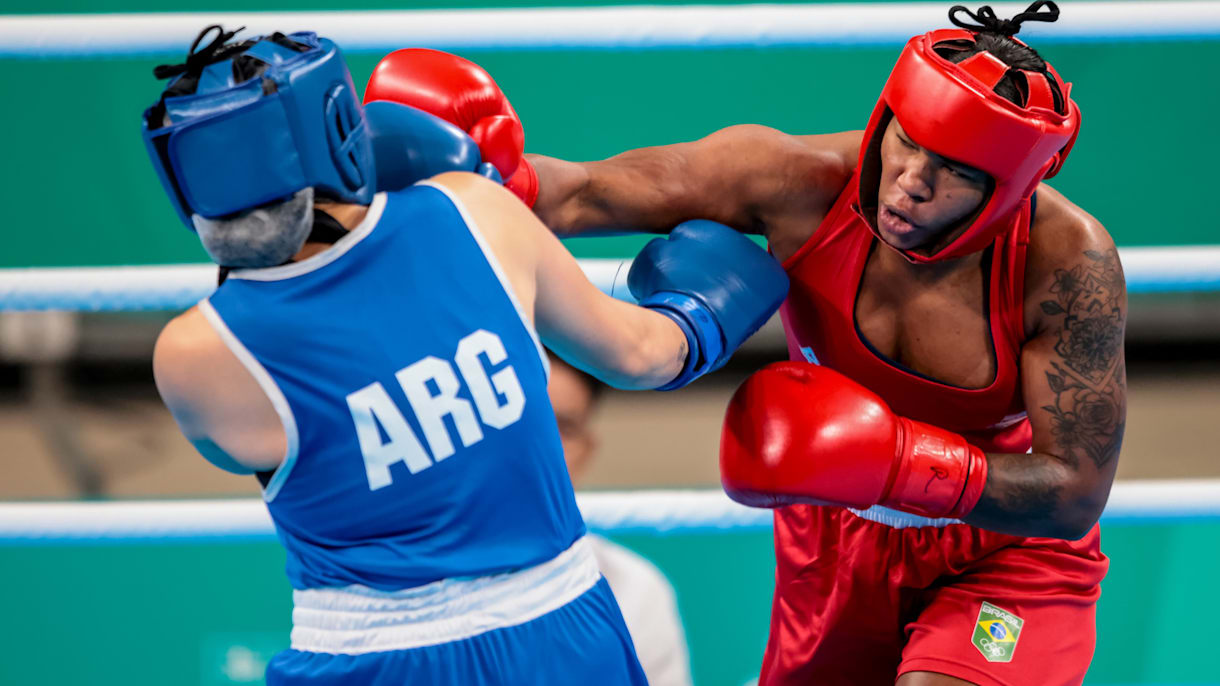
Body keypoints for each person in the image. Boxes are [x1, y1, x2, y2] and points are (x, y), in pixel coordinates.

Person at [364, 1, 1125, 684]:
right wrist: (485, 177)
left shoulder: (1068, 266)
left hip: (1000, 547)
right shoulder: (796, 182)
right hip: (832, 535)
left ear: (1015, 186)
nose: (910, 183)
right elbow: (590, 190)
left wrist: (892, 460)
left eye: (954, 172)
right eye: (906, 142)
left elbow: (1075, 494)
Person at [143, 26, 787, 685]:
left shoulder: (196, 355)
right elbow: (647, 356)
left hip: (365, 659)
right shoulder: (475, 213)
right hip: (560, 637)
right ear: (336, 124)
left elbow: (258, 427)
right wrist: (706, 307)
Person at [547, 353, 695, 686]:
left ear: (586, 451)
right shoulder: (413, 573)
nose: (544, 445)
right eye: (527, 421)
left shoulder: (636, 588)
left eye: (563, 428)